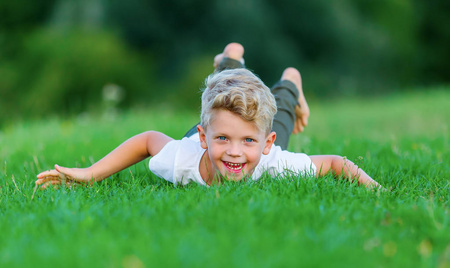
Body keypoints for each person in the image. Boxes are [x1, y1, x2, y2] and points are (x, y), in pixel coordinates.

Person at [35, 43, 382, 189]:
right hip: (201, 144)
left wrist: (380, 193)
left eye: (248, 141)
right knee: (226, 96)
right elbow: (147, 141)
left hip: (247, 132)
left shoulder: (274, 161)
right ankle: (229, 61)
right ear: (204, 137)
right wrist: (90, 174)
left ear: (266, 144)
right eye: (222, 140)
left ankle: (291, 81)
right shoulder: (182, 159)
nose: (234, 152)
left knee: (278, 112)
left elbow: (336, 163)